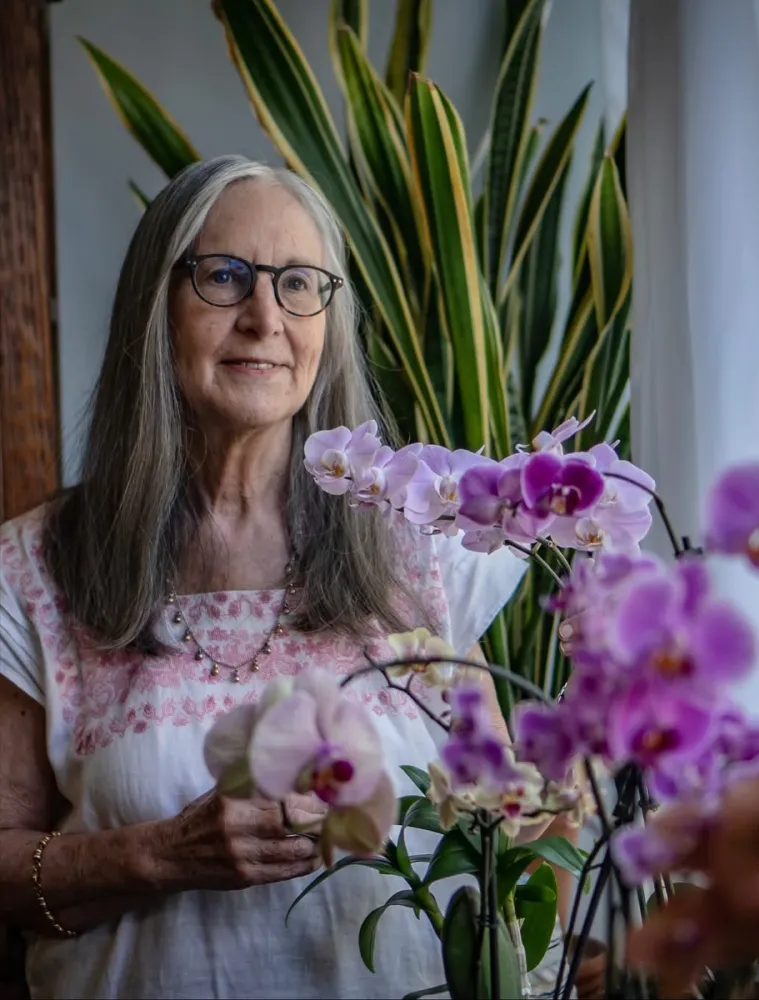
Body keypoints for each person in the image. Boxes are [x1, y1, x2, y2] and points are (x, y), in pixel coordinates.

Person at [0, 155, 577, 1000]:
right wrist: (159, 855)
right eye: (225, 277)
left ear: (328, 322)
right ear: (155, 308)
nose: (265, 317)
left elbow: (508, 840)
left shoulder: (417, 548)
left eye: (300, 282)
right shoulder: (35, 567)